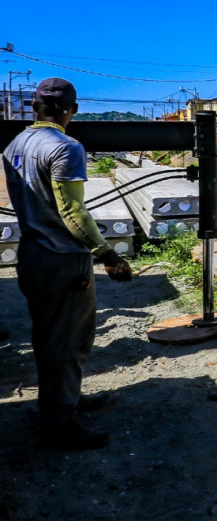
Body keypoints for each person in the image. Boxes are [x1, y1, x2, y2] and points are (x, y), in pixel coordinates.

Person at [2, 78, 133, 450]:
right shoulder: (65, 147)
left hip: (31, 254)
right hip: (62, 260)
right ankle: (59, 425)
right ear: (72, 110)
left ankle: (66, 399)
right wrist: (108, 255)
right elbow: (73, 213)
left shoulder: (16, 144)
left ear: (33, 107)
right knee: (69, 340)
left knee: (48, 334)